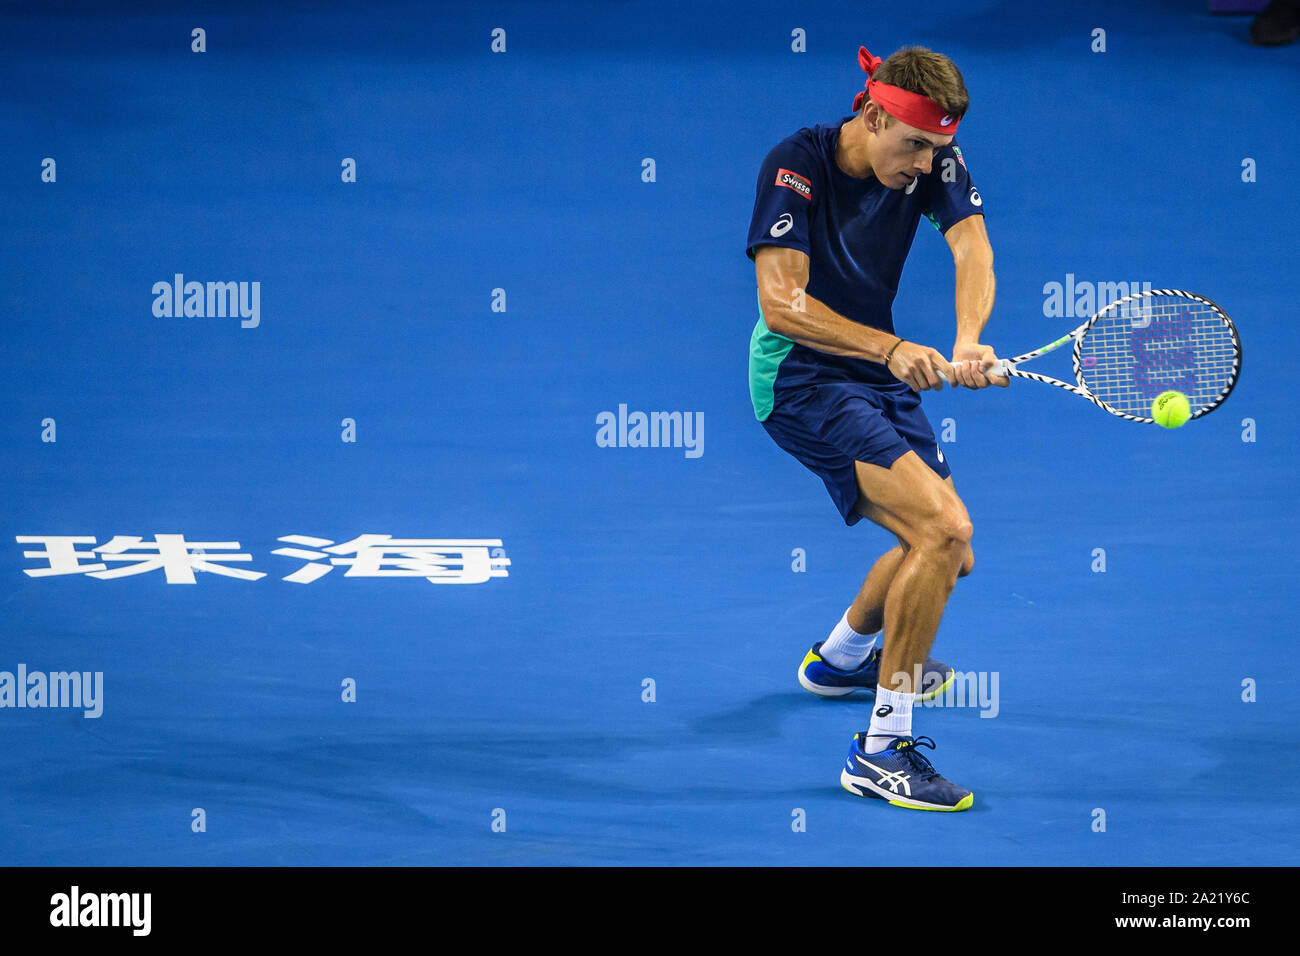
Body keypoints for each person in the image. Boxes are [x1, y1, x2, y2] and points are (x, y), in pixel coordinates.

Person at [745, 44, 1005, 811]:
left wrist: (965, 340)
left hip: (871, 373)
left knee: (942, 555)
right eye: (916, 145)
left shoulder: (937, 162)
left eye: (941, 149)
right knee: (944, 533)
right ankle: (882, 751)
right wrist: (891, 348)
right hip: (800, 376)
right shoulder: (796, 164)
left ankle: (843, 658)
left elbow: (973, 247)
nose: (928, 166)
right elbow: (780, 304)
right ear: (872, 115)